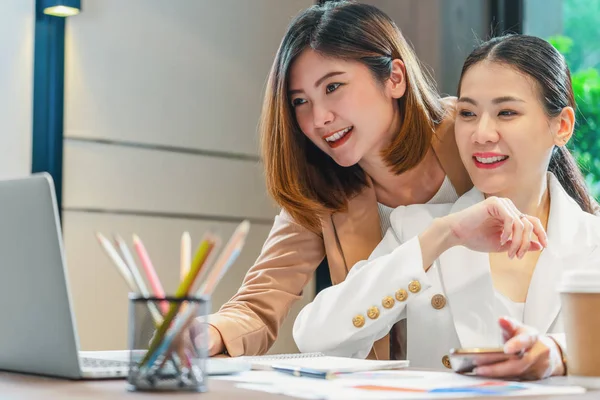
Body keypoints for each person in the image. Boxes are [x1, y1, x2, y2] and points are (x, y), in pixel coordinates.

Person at [292, 34, 600, 380]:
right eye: (467, 113)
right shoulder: (422, 228)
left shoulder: (593, 240)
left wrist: (560, 353)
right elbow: (314, 336)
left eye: (507, 112)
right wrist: (444, 235)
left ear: (562, 126)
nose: (481, 133)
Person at [202, 1, 472, 358]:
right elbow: (258, 304)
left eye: (332, 88)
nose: (318, 118)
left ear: (394, 78)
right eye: (300, 101)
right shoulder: (321, 190)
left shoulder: (471, 131)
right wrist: (205, 333)